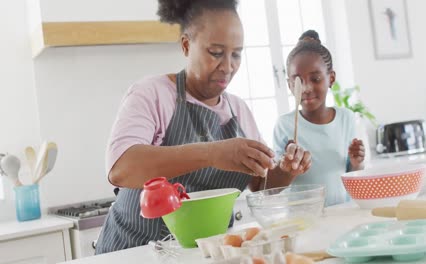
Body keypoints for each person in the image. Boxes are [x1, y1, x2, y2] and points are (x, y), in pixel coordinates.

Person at [95, 0, 312, 254]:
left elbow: (260, 184)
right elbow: (121, 169)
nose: (228, 66)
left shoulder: (239, 110)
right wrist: (213, 154)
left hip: (208, 254)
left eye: (236, 54)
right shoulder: (153, 93)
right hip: (136, 253)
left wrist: (286, 172)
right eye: (216, 53)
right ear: (187, 45)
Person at [273, 30, 365, 207]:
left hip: (341, 213)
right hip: (302, 220)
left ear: (331, 78)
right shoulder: (284, 125)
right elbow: (276, 185)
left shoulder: (346, 118)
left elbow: (352, 175)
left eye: (315, 79)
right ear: (290, 85)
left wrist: (356, 163)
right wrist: (288, 167)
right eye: (298, 81)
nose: (306, 88)